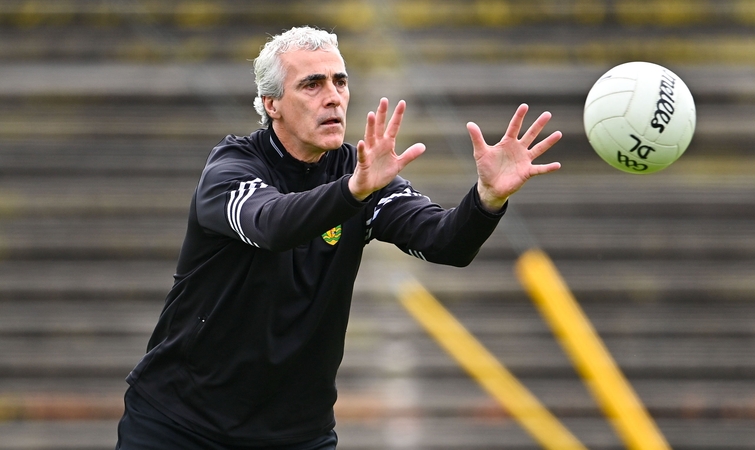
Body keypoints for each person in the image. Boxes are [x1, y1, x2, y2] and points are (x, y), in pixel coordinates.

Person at [116, 26, 562, 449]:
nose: (332, 97)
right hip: (179, 423)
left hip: (295, 433)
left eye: (340, 81)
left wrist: (486, 199)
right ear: (271, 104)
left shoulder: (362, 173)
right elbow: (270, 225)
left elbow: (445, 242)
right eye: (312, 84)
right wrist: (353, 192)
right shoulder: (232, 168)